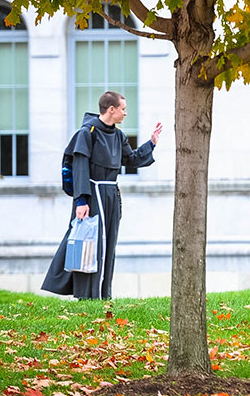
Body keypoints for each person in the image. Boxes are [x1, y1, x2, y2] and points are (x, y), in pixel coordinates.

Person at [41, 91, 162, 299]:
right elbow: (79, 166)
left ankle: (104, 295)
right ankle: (86, 296)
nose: (126, 113)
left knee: (108, 244)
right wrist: (81, 200)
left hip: (111, 195)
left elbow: (131, 160)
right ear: (111, 109)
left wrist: (151, 143)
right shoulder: (87, 133)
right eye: (123, 109)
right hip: (92, 195)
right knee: (89, 244)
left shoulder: (118, 135)